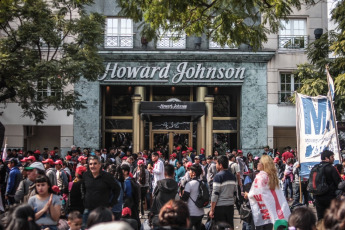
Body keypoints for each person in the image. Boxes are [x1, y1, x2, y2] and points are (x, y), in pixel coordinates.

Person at [247, 155, 290, 230]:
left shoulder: (261, 176)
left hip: (262, 211)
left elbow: (254, 193)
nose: (257, 163)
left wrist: (247, 194)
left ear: (264, 165)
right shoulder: (273, 176)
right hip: (271, 211)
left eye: (259, 162)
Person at [81, 156, 120, 225]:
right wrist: (84, 198)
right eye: (90, 164)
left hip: (102, 211)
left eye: (95, 163)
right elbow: (83, 188)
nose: (93, 166)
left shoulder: (107, 176)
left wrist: (111, 204)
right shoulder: (85, 175)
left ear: (100, 164)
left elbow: (117, 189)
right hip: (88, 209)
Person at [209, 155, 237, 229]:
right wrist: (232, 201)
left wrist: (212, 210)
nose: (215, 165)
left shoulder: (218, 176)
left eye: (217, 163)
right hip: (230, 206)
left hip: (220, 207)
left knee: (219, 227)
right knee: (230, 226)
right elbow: (235, 192)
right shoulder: (232, 176)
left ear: (220, 165)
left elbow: (215, 194)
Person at [313, 150, 341, 220]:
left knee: (320, 218)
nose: (333, 158)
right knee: (332, 218)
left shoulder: (315, 167)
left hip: (318, 197)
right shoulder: (331, 168)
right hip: (330, 197)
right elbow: (339, 184)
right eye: (332, 157)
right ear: (326, 158)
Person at [181, 164, 204, 230]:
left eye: (190, 171)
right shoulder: (202, 183)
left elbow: (185, 198)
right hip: (200, 212)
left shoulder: (189, 184)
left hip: (191, 212)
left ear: (194, 173)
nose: (189, 172)